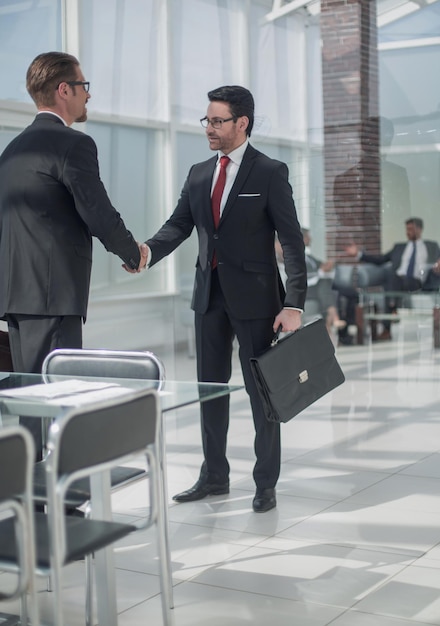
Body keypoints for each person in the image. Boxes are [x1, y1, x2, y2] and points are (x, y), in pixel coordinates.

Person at [144, 85, 307, 513]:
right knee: (209, 391)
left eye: (217, 121)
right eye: (207, 120)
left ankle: (265, 482)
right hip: (208, 299)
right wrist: (143, 254)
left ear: (242, 123)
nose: (209, 128)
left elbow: (291, 242)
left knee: (261, 394)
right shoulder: (199, 172)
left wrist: (293, 303)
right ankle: (214, 475)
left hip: (258, 303)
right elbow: (177, 226)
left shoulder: (269, 172)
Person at [0, 51, 148, 457]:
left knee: (32, 400)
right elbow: (96, 210)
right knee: (63, 400)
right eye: (84, 87)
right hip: (53, 296)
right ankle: (65, 503)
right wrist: (132, 253)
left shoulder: (12, 151)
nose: (88, 96)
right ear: (64, 90)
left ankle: (33, 499)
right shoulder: (72, 144)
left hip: (17, 299)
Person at [346, 217, 440, 340]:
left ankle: (391, 314)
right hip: (396, 281)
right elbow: (380, 260)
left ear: (420, 229)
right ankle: (393, 308)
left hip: (417, 282)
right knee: (390, 274)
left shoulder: (431, 246)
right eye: (407, 229)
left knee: (390, 277)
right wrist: (359, 254)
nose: (408, 232)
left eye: (411, 229)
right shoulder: (399, 247)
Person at [277, 228, 345, 334]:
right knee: (324, 285)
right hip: (306, 291)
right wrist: (320, 273)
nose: (311, 239)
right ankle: (333, 315)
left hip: (315, 291)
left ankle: (332, 317)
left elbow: (321, 267)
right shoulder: (292, 258)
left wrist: (327, 267)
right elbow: (300, 277)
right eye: (308, 236)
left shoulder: (309, 258)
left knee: (327, 285)